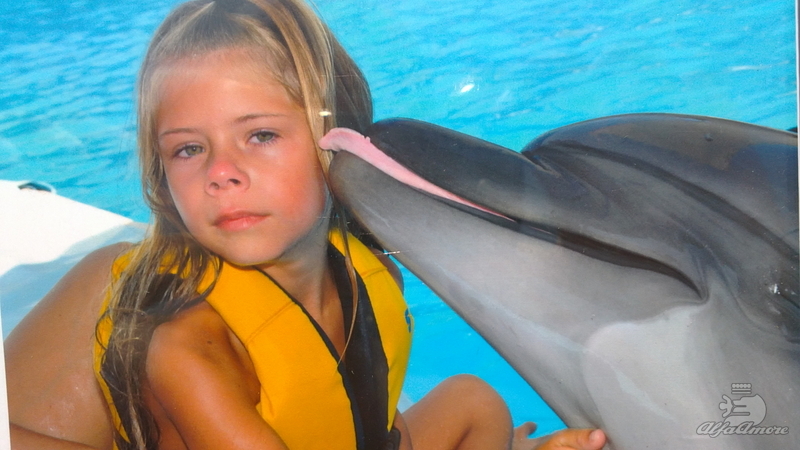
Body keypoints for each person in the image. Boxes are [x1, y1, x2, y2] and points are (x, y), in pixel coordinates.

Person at [5, 1, 608, 449]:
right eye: (188, 149)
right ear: (161, 177)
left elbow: (364, 426)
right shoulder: (188, 349)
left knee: (476, 404)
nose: (221, 173)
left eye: (261, 135)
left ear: (333, 139)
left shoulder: (371, 278)